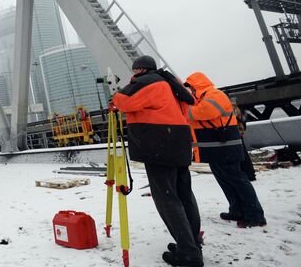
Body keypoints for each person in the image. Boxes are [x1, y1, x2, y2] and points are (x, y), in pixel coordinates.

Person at [113, 56, 203, 267]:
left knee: (167, 198)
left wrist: (115, 94)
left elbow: (124, 101)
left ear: (139, 70)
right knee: (184, 194)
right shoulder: (172, 82)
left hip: (159, 144)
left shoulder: (145, 81)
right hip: (179, 142)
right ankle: (191, 242)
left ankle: (188, 253)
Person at [184, 72, 266, 228]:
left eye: (191, 88)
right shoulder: (201, 99)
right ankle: (237, 210)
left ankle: (255, 215)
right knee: (225, 180)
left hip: (226, 147)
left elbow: (202, 112)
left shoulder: (215, 95)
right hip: (216, 149)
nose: (190, 91)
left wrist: (184, 106)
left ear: (197, 86)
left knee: (238, 180)